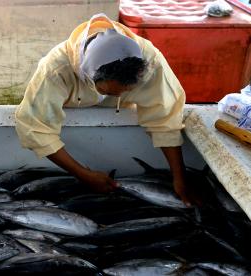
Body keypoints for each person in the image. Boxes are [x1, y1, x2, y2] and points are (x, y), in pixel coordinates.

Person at [15, 14, 199, 206]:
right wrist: (83, 174)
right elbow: (36, 128)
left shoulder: (151, 62)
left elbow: (166, 118)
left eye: (125, 92)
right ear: (89, 75)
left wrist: (180, 178)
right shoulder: (55, 69)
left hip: (120, 109)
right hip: (69, 105)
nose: (118, 97)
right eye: (108, 91)